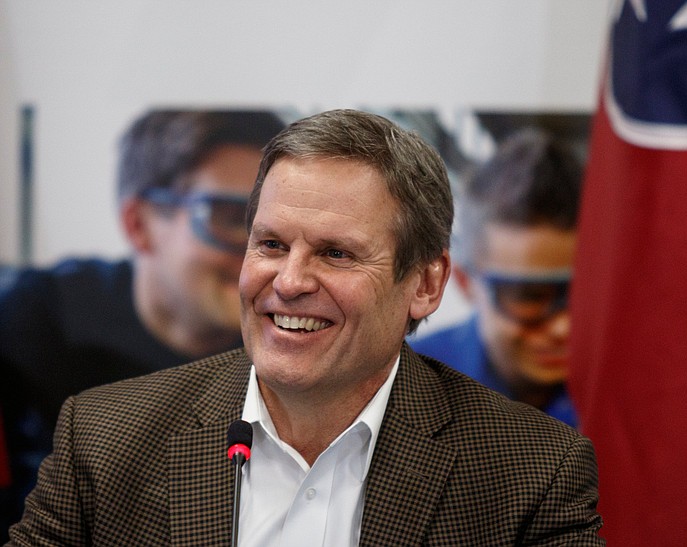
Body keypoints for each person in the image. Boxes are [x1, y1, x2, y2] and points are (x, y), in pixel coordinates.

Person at [7, 109, 604, 545]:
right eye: (269, 244)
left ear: (425, 284)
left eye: (336, 254)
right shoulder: (106, 439)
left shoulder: (532, 474)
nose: (289, 281)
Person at [0, 109, 285, 539]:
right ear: (139, 225)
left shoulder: (300, 341)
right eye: (228, 218)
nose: (257, 256)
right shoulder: (37, 324)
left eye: (274, 229)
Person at [409, 128, 583, 427]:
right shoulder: (402, 389)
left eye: (583, 293)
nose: (563, 327)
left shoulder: (646, 384)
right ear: (464, 282)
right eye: (527, 297)